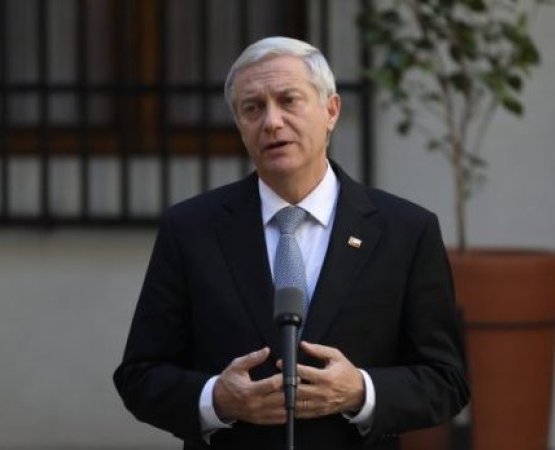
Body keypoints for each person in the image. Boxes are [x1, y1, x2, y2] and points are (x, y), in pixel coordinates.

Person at [113, 36, 469, 450]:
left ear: (331, 111)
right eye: (253, 108)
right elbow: (140, 375)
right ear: (240, 126)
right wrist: (217, 400)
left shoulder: (405, 231)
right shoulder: (191, 228)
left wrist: (360, 391)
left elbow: (447, 380)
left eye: (288, 101)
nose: (272, 122)